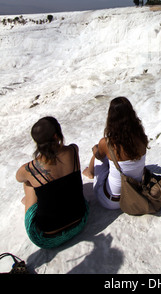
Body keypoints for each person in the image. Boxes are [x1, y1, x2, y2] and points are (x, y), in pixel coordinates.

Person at [16, 117, 89, 249]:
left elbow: (18, 178)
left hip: (48, 237)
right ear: (56, 136)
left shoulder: (30, 168)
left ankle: (29, 201)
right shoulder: (73, 150)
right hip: (79, 221)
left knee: (28, 183)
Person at [83, 97, 149, 210]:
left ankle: (89, 172)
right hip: (135, 192)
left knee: (98, 156)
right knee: (116, 161)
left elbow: (99, 156)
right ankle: (92, 171)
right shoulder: (141, 136)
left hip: (111, 201)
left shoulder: (107, 142)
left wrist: (95, 150)